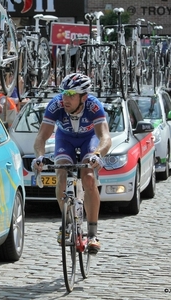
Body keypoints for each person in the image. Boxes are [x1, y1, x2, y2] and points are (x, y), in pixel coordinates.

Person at [32, 73, 112, 254]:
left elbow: (105, 137)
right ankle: (66, 222)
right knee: (60, 173)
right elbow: (41, 137)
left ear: (83, 97)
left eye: (71, 94)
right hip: (65, 139)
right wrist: (39, 157)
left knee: (89, 177)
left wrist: (98, 154)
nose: (65, 98)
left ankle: (92, 234)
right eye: (63, 93)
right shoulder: (56, 104)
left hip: (88, 140)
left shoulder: (93, 106)